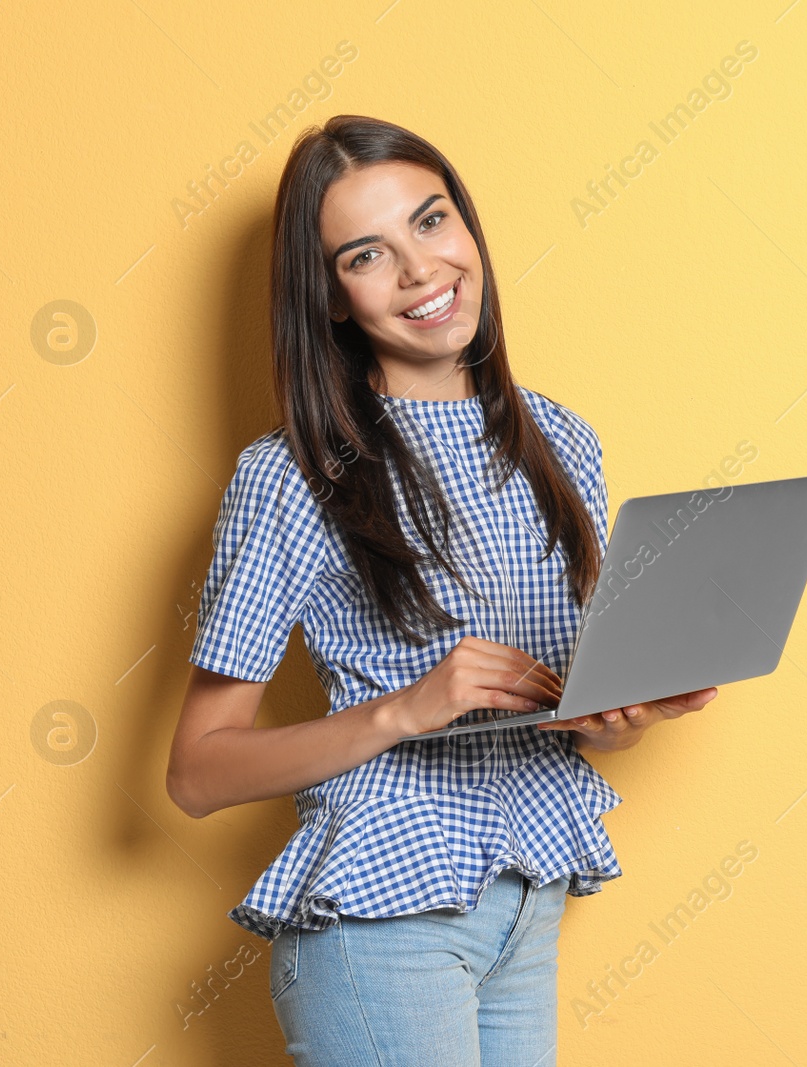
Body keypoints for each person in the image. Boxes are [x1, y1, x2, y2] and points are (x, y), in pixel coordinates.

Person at [164, 114, 718, 1067]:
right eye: (366, 255)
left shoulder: (560, 441)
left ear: (468, 229)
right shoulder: (291, 476)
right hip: (382, 924)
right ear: (331, 299)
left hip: (522, 911)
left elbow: (560, 706)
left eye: (431, 222)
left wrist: (622, 712)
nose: (420, 270)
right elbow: (196, 773)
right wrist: (407, 709)